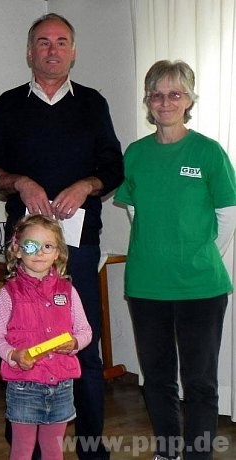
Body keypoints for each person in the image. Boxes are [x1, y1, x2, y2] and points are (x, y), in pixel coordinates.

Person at [0, 13, 123, 459]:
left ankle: (89, 446)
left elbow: (113, 168)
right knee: (21, 340)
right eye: (43, 43)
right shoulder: (7, 105)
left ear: (73, 52)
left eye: (62, 42)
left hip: (78, 249)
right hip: (25, 250)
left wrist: (86, 185)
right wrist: (21, 182)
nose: (52, 50)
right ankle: (23, 445)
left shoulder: (93, 104)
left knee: (81, 344)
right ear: (29, 52)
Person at [114, 60, 236, 460]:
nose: (165, 101)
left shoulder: (209, 152)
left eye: (175, 94)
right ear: (148, 102)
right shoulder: (135, 154)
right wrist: (161, 252)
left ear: (188, 101)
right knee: (158, 379)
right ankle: (168, 451)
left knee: (200, 381)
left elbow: (228, 217)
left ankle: (198, 454)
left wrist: (194, 256)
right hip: (147, 286)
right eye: (157, 94)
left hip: (201, 287)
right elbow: (136, 212)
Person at [0, 215, 92, 460]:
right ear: (18, 250)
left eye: (47, 246)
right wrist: (12, 354)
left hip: (62, 385)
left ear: (58, 253)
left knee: (53, 450)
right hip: (24, 385)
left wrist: (75, 343)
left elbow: (85, 331)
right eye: (31, 246)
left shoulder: (68, 291)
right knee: (22, 450)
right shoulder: (8, 293)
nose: (40, 253)